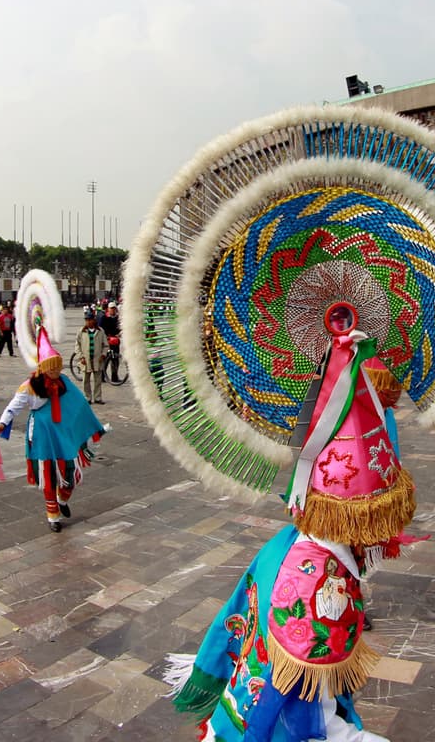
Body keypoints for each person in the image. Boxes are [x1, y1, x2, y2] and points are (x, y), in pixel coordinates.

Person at [165, 303, 408, 740]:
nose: (381, 536)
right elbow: (294, 695)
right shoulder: (317, 580)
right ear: (353, 520)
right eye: (374, 522)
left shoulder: (287, 542)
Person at [0, 315, 107, 531]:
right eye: (52, 369)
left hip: (62, 434)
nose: (56, 372)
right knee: (48, 474)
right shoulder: (29, 386)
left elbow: (79, 405)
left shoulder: (64, 382)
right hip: (42, 435)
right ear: (43, 368)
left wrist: (93, 427)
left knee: (70, 473)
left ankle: (63, 499)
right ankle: (53, 515)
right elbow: (13, 407)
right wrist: (2, 424)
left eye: (58, 368)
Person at [76, 308, 106, 404]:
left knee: (98, 380)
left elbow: (105, 345)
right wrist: (81, 357)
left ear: (94, 320)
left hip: (97, 359)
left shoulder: (100, 331)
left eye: (90, 320)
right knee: (86, 380)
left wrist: (103, 354)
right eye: (86, 320)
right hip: (86, 359)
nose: (88, 322)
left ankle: (97, 397)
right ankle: (87, 397)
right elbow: (77, 345)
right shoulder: (81, 331)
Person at [99, 302, 123, 383]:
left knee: (115, 359)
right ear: (108, 309)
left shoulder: (117, 318)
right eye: (111, 308)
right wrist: (106, 337)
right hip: (106, 341)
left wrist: (119, 333)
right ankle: (102, 376)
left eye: (114, 308)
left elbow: (120, 328)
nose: (113, 310)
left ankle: (114, 377)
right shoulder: (104, 318)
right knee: (105, 360)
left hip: (115, 341)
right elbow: (100, 329)